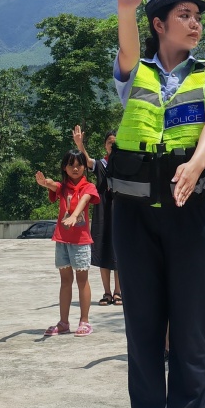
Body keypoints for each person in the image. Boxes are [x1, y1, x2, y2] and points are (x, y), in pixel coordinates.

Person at [106, 0, 205, 408]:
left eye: (197, 15)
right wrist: (124, 8)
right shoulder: (134, 72)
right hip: (135, 218)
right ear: (159, 24)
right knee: (142, 334)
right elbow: (128, 52)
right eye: (184, 14)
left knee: (188, 335)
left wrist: (195, 165)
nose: (195, 22)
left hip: (192, 215)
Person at [35, 150, 99, 337]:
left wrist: (73, 216)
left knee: (82, 281)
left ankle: (84, 321)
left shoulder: (89, 186)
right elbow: (53, 185)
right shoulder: (63, 187)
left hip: (80, 241)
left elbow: (84, 201)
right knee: (65, 281)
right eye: (71, 164)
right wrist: (44, 182)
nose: (75, 168)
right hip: (62, 240)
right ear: (65, 168)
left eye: (79, 164)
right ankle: (63, 323)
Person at [74, 126, 121, 306]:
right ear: (105, 146)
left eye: (115, 143)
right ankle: (107, 292)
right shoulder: (101, 164)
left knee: (119, 251)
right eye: (109, 143)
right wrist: (80, 144)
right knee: (102, 249)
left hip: (120, 210)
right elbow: (86, 161)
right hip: (102, 211)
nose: (112, 146)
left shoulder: (125, 164)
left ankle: (118, 292)